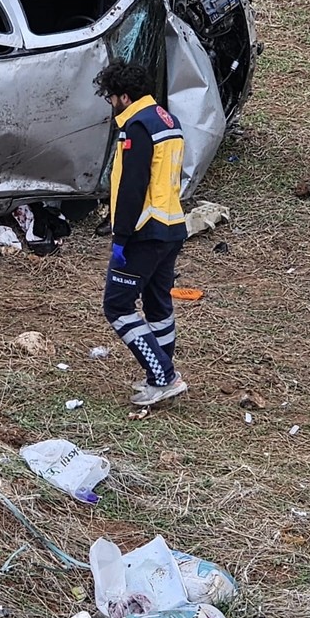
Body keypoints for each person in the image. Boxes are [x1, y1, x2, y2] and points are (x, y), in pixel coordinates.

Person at [94, 62, 189, 406]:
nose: (110, 104)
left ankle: (164, 376)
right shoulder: (167, 120)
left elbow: (133, 186)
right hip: (172, 226)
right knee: (157, 304)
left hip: (143, 232)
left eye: (111, 97)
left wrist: (120, 237)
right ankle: (160, 374)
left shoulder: (136, 127)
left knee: (117, 306)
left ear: (123, 96)